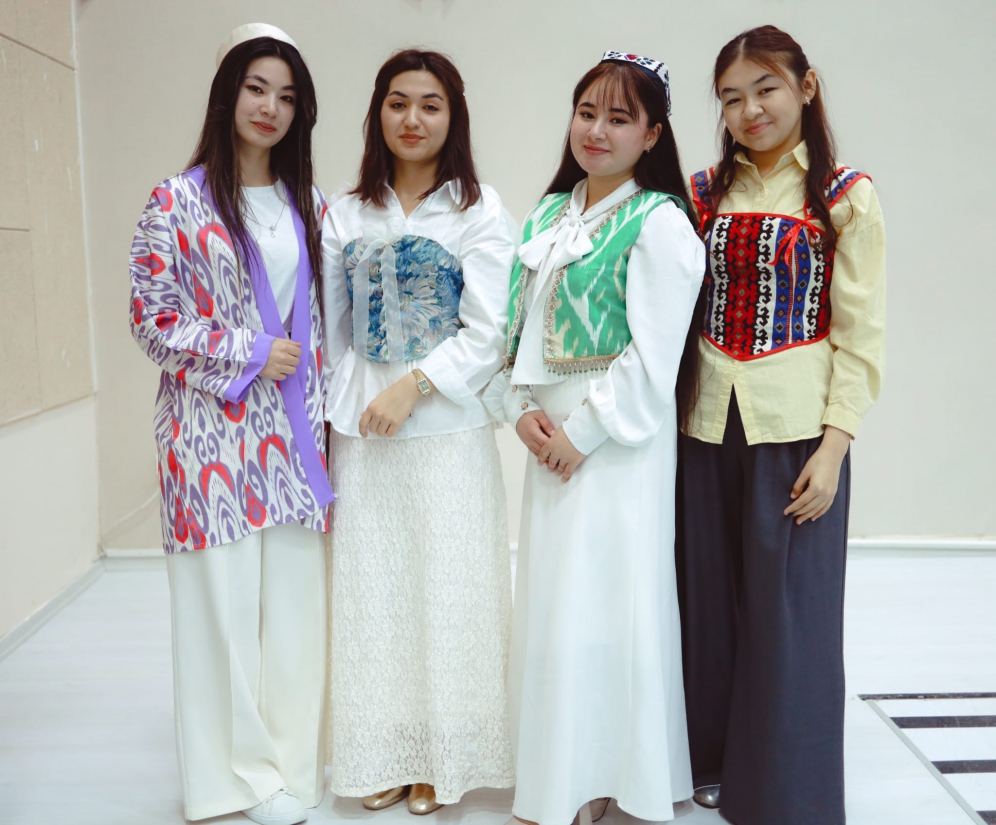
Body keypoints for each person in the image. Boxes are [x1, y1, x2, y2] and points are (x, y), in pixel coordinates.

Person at [486, 51, 704, 825]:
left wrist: (581, 433)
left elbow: (654, 357)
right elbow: (514, 333)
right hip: (549, 442)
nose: (597, 131)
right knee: (557, 603)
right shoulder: (549, 214)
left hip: (616, 447)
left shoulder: (661, 223)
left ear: (653, 135)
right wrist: (520, 411)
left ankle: (610, 776)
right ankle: (559, 773)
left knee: (612, 604)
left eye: (619, 118)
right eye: (587, 113)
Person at [677, 25, 886, 825]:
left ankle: (785, 793)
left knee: (789, 614)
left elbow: (860, 333)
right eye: (732, 97)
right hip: (703, 425)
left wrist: (835, 447)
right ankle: (708, 761)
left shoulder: (844, 195)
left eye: (765, 88)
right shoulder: (701, 192)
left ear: (806, 86)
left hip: (796, 426)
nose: (750, 109)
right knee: (707, 599)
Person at [128, 24, 333, 825]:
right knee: (219, 613)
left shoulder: (309, 204)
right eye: (256, 88)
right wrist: (247, 348)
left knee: (295, 613)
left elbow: (326, 324)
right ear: (227, 93)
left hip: (295, 440)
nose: (270, 107)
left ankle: (292, 766)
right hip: (209, 438)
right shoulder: (175, 201)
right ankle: (232, 782)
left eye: (286, 95)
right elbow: (151, 319)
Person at [320, 49, 516, 815]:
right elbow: (333, 329)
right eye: (398, 102)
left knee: (449, 589)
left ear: (452, 116)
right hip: (364, 431)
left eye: (430, 104)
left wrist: (413, 385)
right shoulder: (345, 212)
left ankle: (445, 755)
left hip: (448, 430)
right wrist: (350, 405)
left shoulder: (479, 209)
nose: (412, 118)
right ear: (378, 113)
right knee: (375, 592)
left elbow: (489, 329)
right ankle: (384, 750)